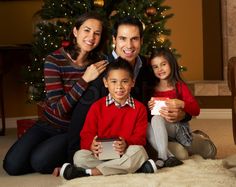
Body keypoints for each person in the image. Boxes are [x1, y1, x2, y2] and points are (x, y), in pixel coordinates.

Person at [68, 16, 190, 163]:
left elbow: (175, 92)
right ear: (114, 40)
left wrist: (183, 114)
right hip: (112, 142)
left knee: (181, 152)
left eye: (134, 39)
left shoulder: (150, 67)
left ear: (141, 41)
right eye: (123, 38)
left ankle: (179, 144)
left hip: (144, 133)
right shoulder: (101, 71)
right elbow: (81, 117)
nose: (129, 45)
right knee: (179, 153)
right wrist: (72, 157)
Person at [3, 12, 108, 175]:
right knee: (12, 165)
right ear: (75, 31)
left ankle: (62, 159)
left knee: (39, 161)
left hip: (71, 130)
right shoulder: (54, 60)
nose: (91, 37)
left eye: (97, 33)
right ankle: (60, 158)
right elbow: (58, 109)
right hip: (47, 124)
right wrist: (84, 79)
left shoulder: (98, 65)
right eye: (86, 30)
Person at [60, 58, 157, 180]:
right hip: (100, 155)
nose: (119, 87)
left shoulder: (140, 108)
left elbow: (140, 138)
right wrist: (91, 146)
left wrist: (126, 143)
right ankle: (134, 168)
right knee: (79, 157)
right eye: (114, 82)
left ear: (132, 82)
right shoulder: (97, 107)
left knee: (139, 152)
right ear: (106, 83)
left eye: (125, 81)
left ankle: (89, 172)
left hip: (125, 153)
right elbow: (86, 134)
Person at [146, 47, 200, 168]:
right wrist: (150, 107)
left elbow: (196, 110)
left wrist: (181, 104)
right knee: (147, 125)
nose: (160, 69)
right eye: (155, 67)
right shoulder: (152, 89)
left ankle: (162, 156)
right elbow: (152, 116)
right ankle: (168, 156)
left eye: (163, 64)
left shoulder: (179, 86)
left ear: (171, 63)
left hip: (177, 128)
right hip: (161, 131)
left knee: (156, 119)